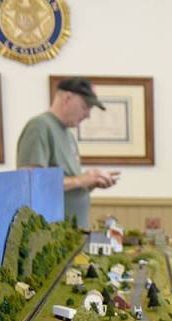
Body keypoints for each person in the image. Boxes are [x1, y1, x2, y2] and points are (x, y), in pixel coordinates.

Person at [16, 78, 119, 229]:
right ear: (67, 98)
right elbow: (31, 183)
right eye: (85, 107)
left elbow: (66, 184)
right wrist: (82, 180)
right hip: (51, 235)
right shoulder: (39, 127)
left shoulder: (67, 134)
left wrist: (91, 183)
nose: (88, 115)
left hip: (72, 233)